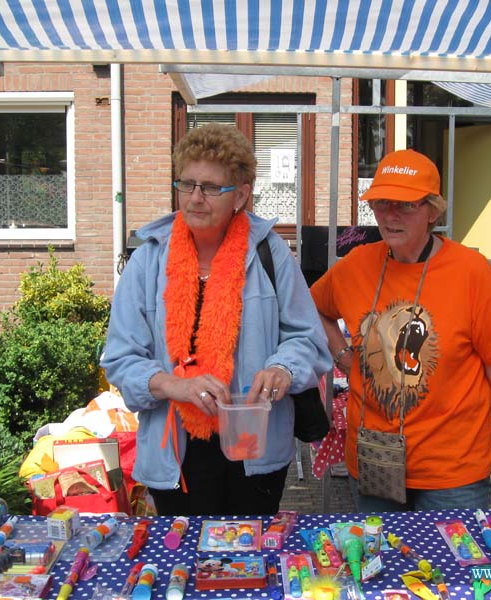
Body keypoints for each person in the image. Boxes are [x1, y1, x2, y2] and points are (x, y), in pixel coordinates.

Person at [101, 123, 331, 516]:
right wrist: (173, 385)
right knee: (185, 568)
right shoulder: (147, 261)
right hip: (176, 456)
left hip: (253, 450)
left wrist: (282, 370)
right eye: (186, 184)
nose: (195, 198)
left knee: (252, 563)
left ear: (240, 195)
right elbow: (121, 358)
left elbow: (308, 341)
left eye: (210, 188)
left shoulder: (270, 255)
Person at [310, 149, 491, 514]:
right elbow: (313, 307)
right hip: (375, 460)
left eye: (405, 205)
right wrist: (343, 355)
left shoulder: (470, 271)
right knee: (382, 567)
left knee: (453, 568)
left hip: (454, 474)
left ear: (433, 212)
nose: (390, 215)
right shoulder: (356, 265)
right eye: (381, 203)